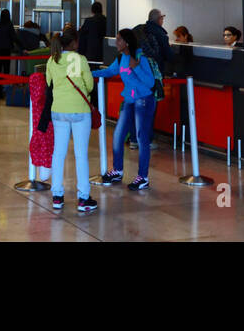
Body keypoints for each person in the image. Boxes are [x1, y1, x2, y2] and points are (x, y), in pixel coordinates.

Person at [92, 28, 157, 191]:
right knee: (118, 135)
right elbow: (110, 71)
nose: (116, 42)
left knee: (142, 139)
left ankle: (143, 177)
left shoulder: (140, 57)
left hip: (143, 100)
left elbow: (150, 82)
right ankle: (118, 170)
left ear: (127, 42)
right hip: (129, 100)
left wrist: (136, 67)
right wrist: (88, 72)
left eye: (119, 39)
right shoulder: (121, 57)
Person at [44, 26, 97, 214]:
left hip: (58, 110)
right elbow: (89, 85)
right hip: (80, 111)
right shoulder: (80, 59)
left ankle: (57, 196)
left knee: (59, 153)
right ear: (74, 42)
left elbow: (49, 83)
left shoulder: (52, 59)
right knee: (80, 154)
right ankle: (83, 199)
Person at [27, 69, 54, 187]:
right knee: (48, 146)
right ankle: (46, 170)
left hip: (39, 125)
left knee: (39, 144)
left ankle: (43, 170)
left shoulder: (34, 96)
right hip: (48, 124)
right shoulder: (48, 92)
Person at [142, 8, 174, 74]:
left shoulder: (142, 29)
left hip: (141, 66)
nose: (162, 21)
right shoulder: (161, 34)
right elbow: (169, 55)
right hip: (156, 68)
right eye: (162, 19)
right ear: (159, 19)